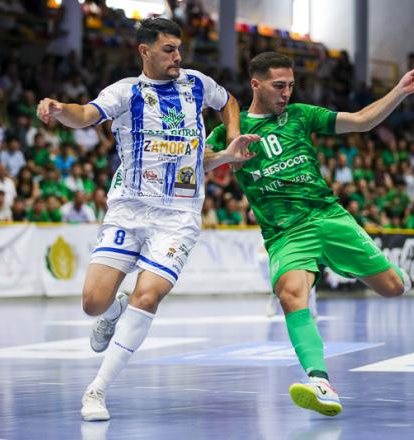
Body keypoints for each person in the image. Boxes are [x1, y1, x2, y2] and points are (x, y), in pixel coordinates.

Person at [36, 18, 257, 422]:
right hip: (129, 208)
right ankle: (113, 310)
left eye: (179, 49)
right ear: (145, 51)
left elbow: (228, 102)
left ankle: (96, 390)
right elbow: (85, 115)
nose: (178, 57)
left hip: (179, 215)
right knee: (92, 303)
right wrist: (57, 108)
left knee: (148, 296)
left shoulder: (195, 83)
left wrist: (231, 139)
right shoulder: (125, 92)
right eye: (169, 49)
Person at [206, 52, 414, 417]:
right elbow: (199, 162)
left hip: (327, 216)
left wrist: (399, 91)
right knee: (290, 295)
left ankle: (381, 272)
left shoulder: (302, 115)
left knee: (393, 288)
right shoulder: (233, 129)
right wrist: (227, 155)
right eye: (279, 86)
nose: (287, 93)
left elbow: (360, 121)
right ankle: (319, 380)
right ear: (255, 84)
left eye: (290, 85)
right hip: (285, 232)